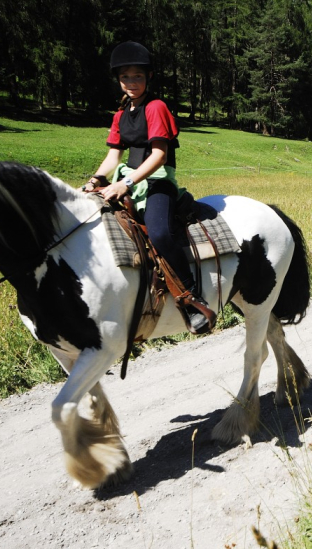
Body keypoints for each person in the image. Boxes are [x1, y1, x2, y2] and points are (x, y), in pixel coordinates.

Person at [82, 41, 212, 334]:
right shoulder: (120, 114)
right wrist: (93, 181)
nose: (132, 82)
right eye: (126, 77)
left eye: (138, 76)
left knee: (159, 233)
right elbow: (113, 156)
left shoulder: (156, 107)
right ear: (118, 79)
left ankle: (191, 296)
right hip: (128, 181)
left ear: (148, 77)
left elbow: (159, 155)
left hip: (158, 180)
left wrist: (124, 183)